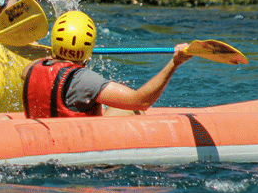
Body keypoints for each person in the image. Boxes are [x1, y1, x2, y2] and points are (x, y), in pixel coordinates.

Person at [21, 11, 192, 118]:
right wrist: (174, 63)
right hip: (76, 146)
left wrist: (53, 55)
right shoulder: (84, 80)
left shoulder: (30, 68)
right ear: (89, 48)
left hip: (41, 136)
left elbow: (48, 66)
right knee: (130, 110)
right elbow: (141, 101)